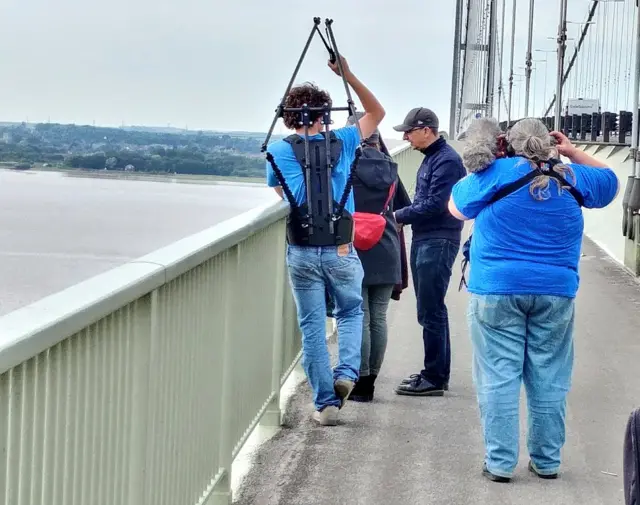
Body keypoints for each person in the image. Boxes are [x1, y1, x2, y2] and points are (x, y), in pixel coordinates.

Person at [448, 117, 619, 482]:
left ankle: (500, 464)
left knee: (498, 376)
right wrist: (572, 151)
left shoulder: (496, 173)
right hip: (556, 291)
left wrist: (488, 159)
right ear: (549, 143)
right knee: (549, 377)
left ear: (506, 144)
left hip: (496, 290)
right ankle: (546, 461)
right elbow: (611, 182)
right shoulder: (572, 177)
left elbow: (456, 208)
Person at [265, 55, 385, 426]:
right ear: (324, 115)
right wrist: (347, 73)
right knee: (350, 311)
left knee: (312, 325)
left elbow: (282, 194)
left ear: (288, 117)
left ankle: (325, 404)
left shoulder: (280, 150)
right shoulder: (346, 139)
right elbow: (377, 112)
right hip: (341, 247)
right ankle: (347, 373)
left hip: (301, 250)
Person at [391, 107, 466, 397]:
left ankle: (434, 376)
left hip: (437, 240)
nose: (406, 137)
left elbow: (435, 204)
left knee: (431, 309)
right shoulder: (435, 158)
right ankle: (435, 373)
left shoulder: (445, 161)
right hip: (429, 238)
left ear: (427, 130)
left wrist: (396, 216)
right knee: (430, 308)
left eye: (409, 132)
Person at [344, 114, 409, 402]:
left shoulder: (346, 166)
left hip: (355, 245)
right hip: (386, 245)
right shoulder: (390, 168)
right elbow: (403, 207)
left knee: (361, 315)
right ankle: (371, 380)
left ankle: (359, 380)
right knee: (378, 316)